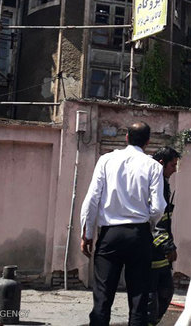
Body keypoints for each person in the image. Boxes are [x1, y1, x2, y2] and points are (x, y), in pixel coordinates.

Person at [80, 121, 166, 326]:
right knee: (138, 297)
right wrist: (148, 223)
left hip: (110, 235)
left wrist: (87, 234)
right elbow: (158, 207)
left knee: (103, 295)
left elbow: (92, 199)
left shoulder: (106, 160)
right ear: (148, 142)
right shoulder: (153, 165)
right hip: (139, 235)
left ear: (126, 137)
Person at [148, 146, 181, 326]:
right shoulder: (152, 183)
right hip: (150, 250)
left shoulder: (163, 183)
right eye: (172, 165)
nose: (175, 169)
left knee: (165, 292)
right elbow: (154, 221)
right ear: (161, 163)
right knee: (150, 300)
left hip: (161, 252)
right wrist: (168, 246)